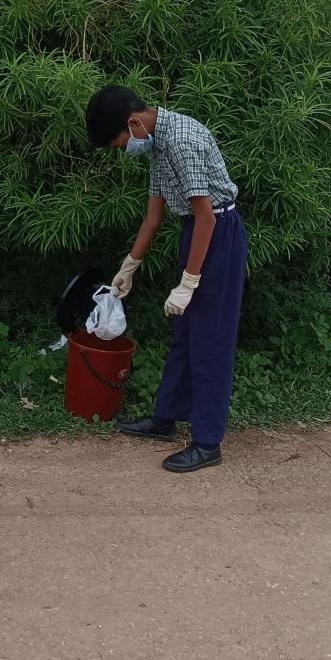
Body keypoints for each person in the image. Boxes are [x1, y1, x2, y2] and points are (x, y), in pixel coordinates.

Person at [85, 85, 247, 473]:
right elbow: (153, 218)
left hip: (217, 234)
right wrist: (129, 266)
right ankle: (165, 418)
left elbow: (207, 217)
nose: (124, 150)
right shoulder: (158, 140)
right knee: (184, 333)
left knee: (209, 340)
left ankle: (207, 442)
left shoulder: (181, 141)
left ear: (133, 123)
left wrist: (189, 283)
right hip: (197, 233)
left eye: (119, 144)